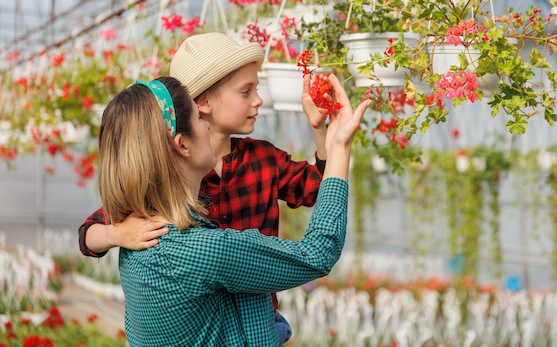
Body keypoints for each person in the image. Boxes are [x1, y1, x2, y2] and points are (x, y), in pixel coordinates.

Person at [77, 32, 328, 344]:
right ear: (204, 104)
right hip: (211, 323)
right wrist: (116, 233)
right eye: (245, 91)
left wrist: (321, 132)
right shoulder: (172, 182)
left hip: (258, 317)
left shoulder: (264, 158)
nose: (258, 100)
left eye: (257, 89)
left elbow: (320, 189)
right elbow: (88, 233)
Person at [98, 75, 370, 346]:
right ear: (182, 145)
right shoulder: (202, 250)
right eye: (199, 119)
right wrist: (340, 146)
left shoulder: (138, 235)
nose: (206, 128)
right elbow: (318, 254)